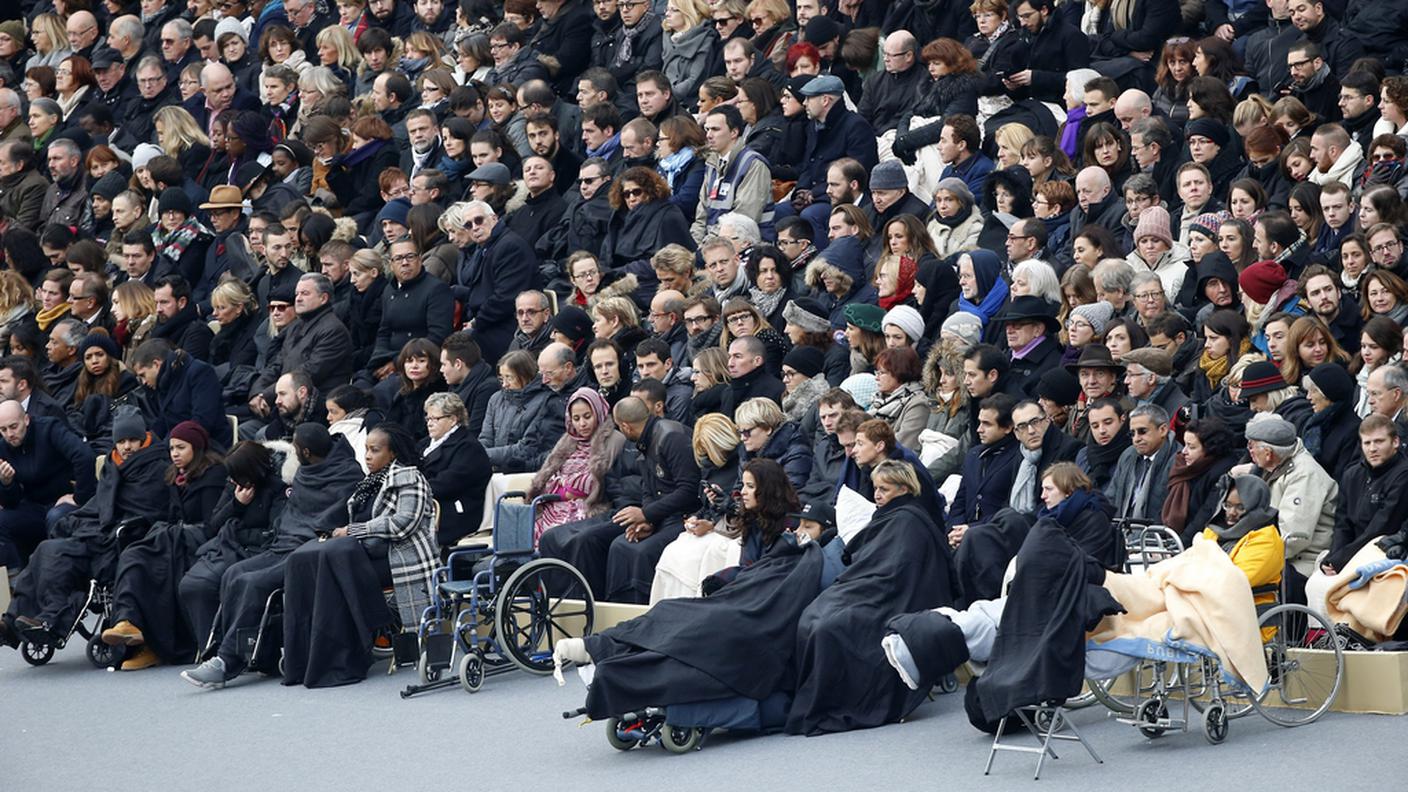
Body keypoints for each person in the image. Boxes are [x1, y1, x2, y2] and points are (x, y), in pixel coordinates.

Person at [179, 425, 363, 690]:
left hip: (308, 548)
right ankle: (233, 650)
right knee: (234, 573)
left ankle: (229, 661)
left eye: (296, 447)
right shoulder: (306, 473)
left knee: (253, 582)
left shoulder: (346, 474)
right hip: (284, 541)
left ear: (306, 452)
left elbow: (330, 516)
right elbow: (293, 513)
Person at [787, 458, 954, 735]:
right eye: (876, 488)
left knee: (829, 627)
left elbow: (899, 569)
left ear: (903, 489)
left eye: (885, 489)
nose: (877, 495)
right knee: (812, 615)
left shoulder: (910, 520)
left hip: (893, 598)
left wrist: (862, 582)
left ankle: (835, 702)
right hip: (867, 586)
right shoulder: (886, 515)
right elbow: (869, 557)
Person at [281, 423, 438, 688]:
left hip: (399, 558)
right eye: (366, 449)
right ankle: (310, 655)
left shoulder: (410, 478)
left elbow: (402, 524)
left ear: (393, 454)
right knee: (309, 558)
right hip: (364, 555)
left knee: (335, 562)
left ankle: (344, 655)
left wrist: (354, 530)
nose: (367, 455)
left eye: (375, 450)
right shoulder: (368, 482)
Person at [0, 409, 170, 653]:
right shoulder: (114, 464)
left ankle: (51, 619)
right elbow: (100, 502)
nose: (127, 447)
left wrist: (97, 525)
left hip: (122, 539)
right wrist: (78, 518)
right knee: (47, 547)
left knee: (59, 553)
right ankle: (11, 621)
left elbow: (145, 509)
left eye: (132, 440)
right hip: (99, 532)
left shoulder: (157, 466)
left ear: (143, 437)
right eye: (121, 441)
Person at [539, 396, 701, 604]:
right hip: (654, 513)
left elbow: (688, 490)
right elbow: (648, 489)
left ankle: (626, 611)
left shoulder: (670, 437)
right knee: (569, 538)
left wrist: (646, 514)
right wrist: (646, 520)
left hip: (683, 516)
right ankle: (573, 605)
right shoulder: (646, 440)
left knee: (624, 548)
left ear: (625, 426)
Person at [98, 420, 227, 669]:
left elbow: (213, 525)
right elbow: (170, 516)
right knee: (135, 555)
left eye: (181, 448)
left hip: (201, 541)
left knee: (155, 562)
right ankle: (129, 625)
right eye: (171, 449)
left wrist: (173, 533)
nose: (174, 454)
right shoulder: (174, 476)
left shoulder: (213, 474)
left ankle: (152, 642)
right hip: (177, 536)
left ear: (197, 448)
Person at [651, 457, 799, 603]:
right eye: (743, 485)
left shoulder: (786, 527)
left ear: (768, 489)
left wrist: (724, 581)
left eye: (750, 486)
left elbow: (764, 573)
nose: (743, 492)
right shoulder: (754, 520)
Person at [0, 398, 97, 572]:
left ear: (26, 420)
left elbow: (84, 456)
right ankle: (14, 580)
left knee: (56, 517)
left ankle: (57, 574)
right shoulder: (3, 447)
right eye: (3, 430)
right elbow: (10, 503)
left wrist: (79, 497)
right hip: (33, 506)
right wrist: (6, 484)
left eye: (13, 427)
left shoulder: (49, 428)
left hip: (63, 499)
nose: (9, 434)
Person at [1241, 413, 1337, 587]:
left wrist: (1252, 552)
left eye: (1252, 446)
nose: (1249, 451)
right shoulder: (1273, 466)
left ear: (1268, 453)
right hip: (1270, 549)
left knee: (1237, 581)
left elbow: (1293, 538)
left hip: (1302, 561)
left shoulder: (1305, 475)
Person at [528, 387, 629, 545]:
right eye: (576, 418)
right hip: (553, 506)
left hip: (588, 509)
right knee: (533, 534)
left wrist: (566, 485)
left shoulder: (614, 440)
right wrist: (567, 490)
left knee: (561, 536)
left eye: (587, 416)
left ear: (598, 412)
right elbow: (546, 479)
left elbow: (594, 483)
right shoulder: (567, 440)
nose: (582, 424)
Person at [1201, 474, 1285, 635]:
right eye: (1227, 505)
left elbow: (1238, 579)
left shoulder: (1266, 538)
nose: (1231, 513)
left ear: (1256, 507)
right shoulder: (1214, 530)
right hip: (1209, 604)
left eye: (1241, 507)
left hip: (1247, 614)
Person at [419, 392, 492, 549]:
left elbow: (447, 484)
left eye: (435, 419)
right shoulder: (425, 444)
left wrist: (413, 490)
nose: (429, 423)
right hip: (428, 506)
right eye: (428, 418)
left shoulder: (468, 448)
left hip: (454, 513)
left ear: (453, 419)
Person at [735, 396, 812, 490]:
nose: (742, 438)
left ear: (767, 428)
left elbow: (791, 493)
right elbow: (739, 489)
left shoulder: (796, 451)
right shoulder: (746, 455)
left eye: (747, 432)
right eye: (740, 433)